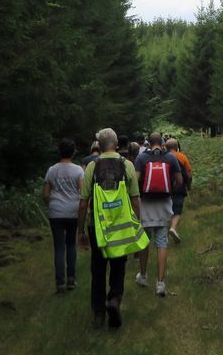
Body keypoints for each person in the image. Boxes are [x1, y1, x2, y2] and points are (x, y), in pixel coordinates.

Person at [77, 127, 140, 329]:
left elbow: (83, 202)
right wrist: (137, 224)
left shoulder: (91, 167)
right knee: (119, 266)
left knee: (97, 268)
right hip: (121, 226)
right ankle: (114, 299)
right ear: (117, 145)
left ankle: (98, 313)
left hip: (97, 226)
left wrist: (80, 231)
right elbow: (135, 200)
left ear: (99, 146)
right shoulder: (127, 165)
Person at [134, 131, 182, 296]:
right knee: (162, 242)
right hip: (163, 204)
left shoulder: (141, 159)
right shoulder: (170, 158)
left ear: (148, 142)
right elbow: (179, 181)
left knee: (144, 241)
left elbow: (135, 180)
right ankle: (160, 283)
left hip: (145, 204)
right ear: (162, 143)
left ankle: (143, 275)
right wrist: (168, 190)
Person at [43, 138, 84, 293]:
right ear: (73, 152)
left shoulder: (51, 170)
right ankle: (71, 279)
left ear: (59, 151)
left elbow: (46, 194)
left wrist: (51, 206)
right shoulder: (78, 170)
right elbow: (82, 192)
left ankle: (60, 283)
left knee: (59, 248)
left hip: (56, 212)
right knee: (71, 245)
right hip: (73, 211)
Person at [165, 138, 192, 243]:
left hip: (166, 188)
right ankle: (173, 228)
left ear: (166, 147)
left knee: (167, 210)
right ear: (177, 147)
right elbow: (188, 174)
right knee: (177, 209)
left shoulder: (163, 157)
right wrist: (188, 185)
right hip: (179, 188)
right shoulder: (182, 156)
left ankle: (164, 234)